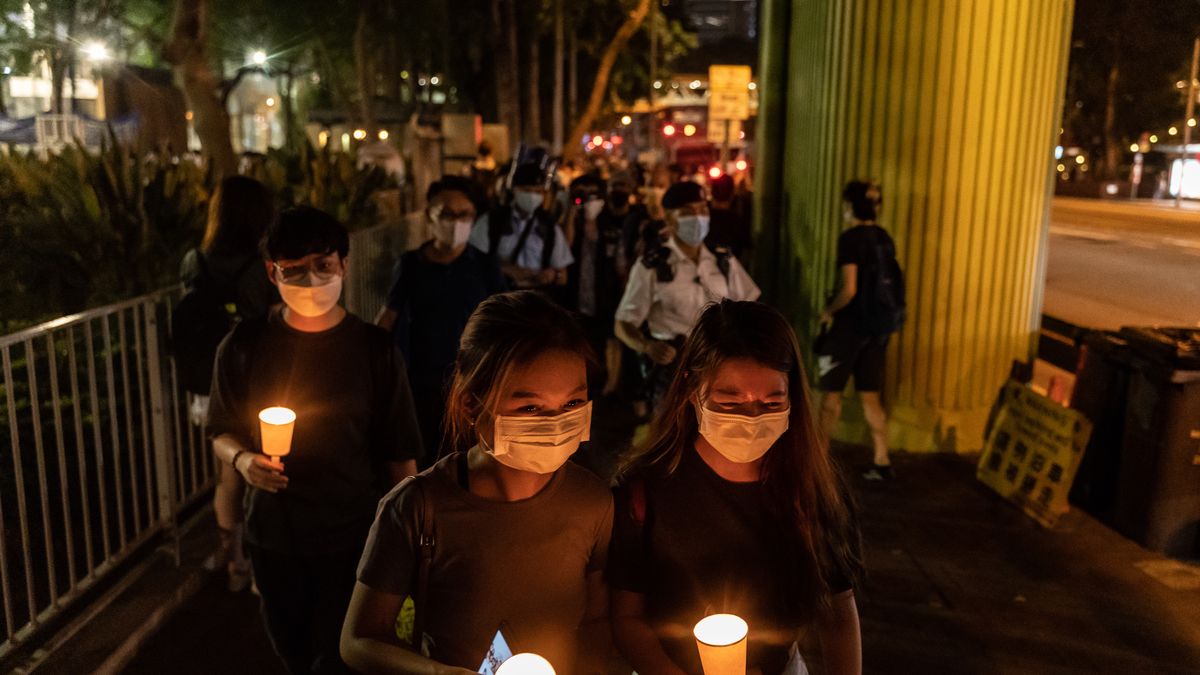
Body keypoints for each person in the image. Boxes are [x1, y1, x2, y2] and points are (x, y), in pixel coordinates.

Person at [341, 291, 613, 675]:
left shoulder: (593, 501)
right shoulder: (419, 506)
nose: (554, 425)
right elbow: (359, 640)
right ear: (471, 404)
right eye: (530, 407)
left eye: (572, 404)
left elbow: (597, 619)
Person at [208, 206, 424, 674]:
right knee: (293, 652)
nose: (311, 280)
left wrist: (410, 548)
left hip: (354, 537)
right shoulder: (244, 345)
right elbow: (220, 429)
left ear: (344, 264)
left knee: (339, 657)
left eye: (323, 265)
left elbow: (399, 456)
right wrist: (243, 460)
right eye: (294, 269)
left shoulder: (374, 350)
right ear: (272, 272)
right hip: (274, 536)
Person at [610, 300, 865, 675]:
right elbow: (627, 617)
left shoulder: (813, 488)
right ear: (691, 391)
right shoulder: (645, 492)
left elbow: (839, 611)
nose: (752, 419)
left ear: (792, 398)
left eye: (771, 402)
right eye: (729, 403)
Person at [178, 175, 278, 591]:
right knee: (257, 466)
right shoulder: (260, 265)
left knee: (227, 470)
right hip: (254, 378)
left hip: (206, 379)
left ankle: (233, 559)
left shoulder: (194, 260)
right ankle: (258, 562)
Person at [377, 176, 507, 463]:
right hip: (422, 381)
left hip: (474, 380)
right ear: (429, 216)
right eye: (446, 213)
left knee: (471, 456)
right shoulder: (411, 264)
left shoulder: (485, 266)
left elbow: (504, 321)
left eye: (464, 214)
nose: (456, 221)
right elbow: (389, 315)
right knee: (428, 454)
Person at [614, 181, 760, 410]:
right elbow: (623, 323)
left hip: (720, 366)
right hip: (674, 370)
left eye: (702, 209)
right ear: (670, 219)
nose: (698, 217)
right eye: (688, 212)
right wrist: (647, 346)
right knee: (674, 436)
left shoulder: (723, 260)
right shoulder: (653, 266)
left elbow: (751, 309)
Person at [817, 180, 905, 481]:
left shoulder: (850, 239)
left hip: (850, 328)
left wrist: (828, 312)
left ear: (851, 206)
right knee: (871, 397)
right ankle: (882, 460)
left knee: (830, 397)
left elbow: (850, 289)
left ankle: (817, 461)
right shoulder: (884, 238)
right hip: (878, 329)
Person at [563, 174, 625, 396]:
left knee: (606, 342)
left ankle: (607, 388)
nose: (590, 199)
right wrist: (572, 211)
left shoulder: (611, 225)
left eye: (594, 194)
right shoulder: (571, 222)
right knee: (576, 344)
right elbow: (565, 247)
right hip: (576, 295)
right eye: (583, 194)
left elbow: (620, 264)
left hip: (605, 295)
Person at [470, 163, 574, 293]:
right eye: (526, 190)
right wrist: (504, 269)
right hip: (499, 297)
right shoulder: (491, 221)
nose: (532, 196)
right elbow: (472, 261)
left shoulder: (549, 226)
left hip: (536, 298)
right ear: (514, 189)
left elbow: (562, 276)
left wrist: (551, 275)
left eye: (538, 192)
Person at [704, 174, 753, 263]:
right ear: (732, 194)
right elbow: (746, 246)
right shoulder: (738, 219)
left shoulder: (703, 216)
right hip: (731, 264)